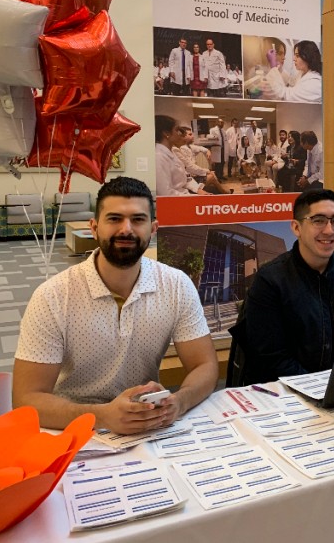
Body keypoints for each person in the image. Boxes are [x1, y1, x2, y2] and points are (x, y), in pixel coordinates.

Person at [12, 177, 218, 434]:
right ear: (94, 227)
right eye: (114, 219)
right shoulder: (53, 296)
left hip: (144, 425)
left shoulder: (176, 285)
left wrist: (179, 402)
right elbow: (26, 400)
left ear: (153, 229)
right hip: (71, 426)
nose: (126, 229)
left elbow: (205, 366)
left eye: (138, 219)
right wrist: (102, 417)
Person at [235, 189, 334, 383]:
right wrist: (320, 387)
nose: (329, 230)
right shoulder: (270, 280)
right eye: (318, 220)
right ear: (296, 228)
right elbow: (270, 358)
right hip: (288, 393)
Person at [155, 115, 208, 196]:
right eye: (176, 130)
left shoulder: (171, 152)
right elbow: (165, 193)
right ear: (166, 133)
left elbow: (186, 177)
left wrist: (198, 189)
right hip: (177, 201)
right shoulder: (159, 157)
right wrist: (195, 197)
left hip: (184, 195)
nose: (180, 133)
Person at [174, 125, 231, 194]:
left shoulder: (189, 147)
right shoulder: (180, 149)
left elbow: (201, 148)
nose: (193, 136)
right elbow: (190, 167)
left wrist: (207, 151)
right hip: (187, 180)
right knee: (212, 177)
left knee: (213, 179)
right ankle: (224, 192)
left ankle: (221, 191)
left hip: (190, 177)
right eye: (190, 134)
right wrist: (207, 171)